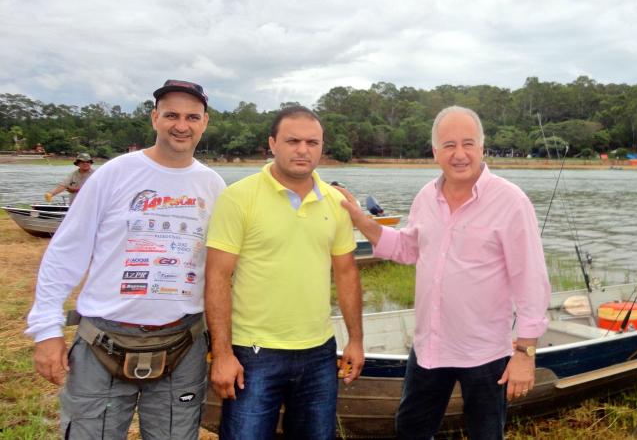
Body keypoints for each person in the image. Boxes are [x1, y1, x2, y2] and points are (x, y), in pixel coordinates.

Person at [26, 79, 226, 439]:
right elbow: (66, 252)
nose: (181, 125)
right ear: (154, 118)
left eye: (192, 117)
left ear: (205, 122)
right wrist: (46, 330)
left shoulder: (213, 186)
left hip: (183, 341)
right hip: (103, 338)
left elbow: (224, 269)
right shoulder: (113, 175)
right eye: (171, 115)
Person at [337, 105, 551, 440]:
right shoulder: (425, 197)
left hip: (486, 353)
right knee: (410, 429)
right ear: (435, 152)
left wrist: (524, 353)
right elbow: (409, 248)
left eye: (468, 144)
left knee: (485, 434)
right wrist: (360, 220)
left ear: (482, 148)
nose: (460, 154)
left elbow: (531, 281)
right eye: (449, 145)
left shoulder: (511, 202)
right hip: (429, 346)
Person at [206, 105, 364, 440]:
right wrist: (222, 353)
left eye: (312, 142)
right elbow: (217, 277)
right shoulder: (238, 198)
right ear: (272, 143)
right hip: (253, 351)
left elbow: (347, 274)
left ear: (322, 147)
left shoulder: (337, 202)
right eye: (293, 141)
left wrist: (357, 340)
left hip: (320, 352)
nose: (303, 150)